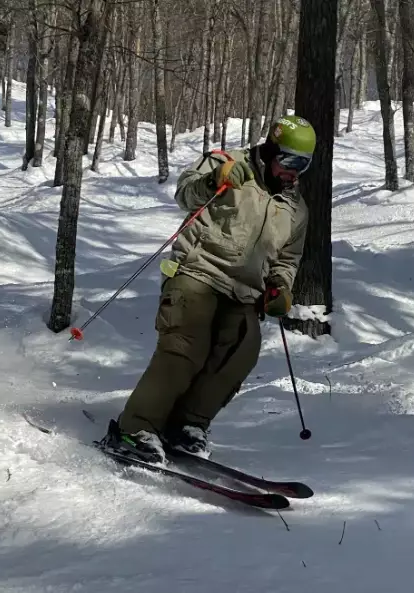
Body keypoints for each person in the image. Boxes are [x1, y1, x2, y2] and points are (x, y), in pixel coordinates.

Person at [100, 114, 317, 464]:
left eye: (303, 165)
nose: (293, 172)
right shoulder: (229, 164)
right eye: (289, 160)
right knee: (186, 346)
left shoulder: (295, 209)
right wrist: (217, 178)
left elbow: (287, 260)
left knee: (241, 352)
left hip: (244, 291)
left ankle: (186, 426)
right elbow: (184, 193)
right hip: (197, 270)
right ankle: (135, 428)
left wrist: (280, 288)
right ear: (271, 150)